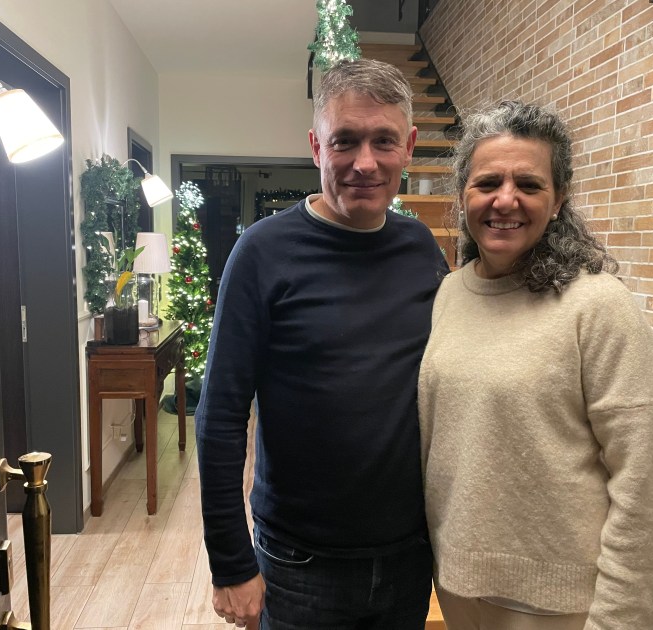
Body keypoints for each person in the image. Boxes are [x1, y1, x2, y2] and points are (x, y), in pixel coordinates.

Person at [195, 58, 448, 630]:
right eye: (345, 141)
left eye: (384, 141)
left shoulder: (421, 250)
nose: (365, 162)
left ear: (409, 147)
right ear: (316, 147)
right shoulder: (262, 254)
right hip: (299, 563)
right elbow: (220, 415)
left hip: (407, 555)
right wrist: (231, 562)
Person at [418, 100, 653, 630]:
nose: (505, 199)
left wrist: (622, 619)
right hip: (456, 586)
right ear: (463, 194)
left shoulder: (598, 305)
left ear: (558, 200)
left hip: (558, 603)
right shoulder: (449, 293)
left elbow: (643, 483)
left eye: (529, 185)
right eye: (488, 182)